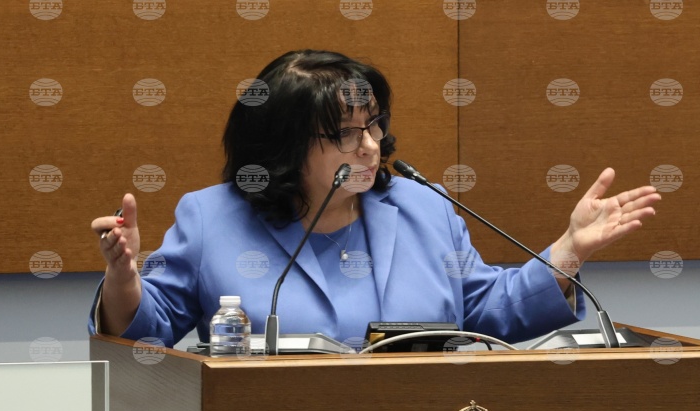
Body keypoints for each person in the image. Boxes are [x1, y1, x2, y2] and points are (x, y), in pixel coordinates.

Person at [89, 49, 660, 349]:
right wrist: (123, 277)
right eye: (346, 133)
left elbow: (488, 312)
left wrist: (569, 250)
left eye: (375, 125)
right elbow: (144, 336)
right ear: (285, 145)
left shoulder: (422, 206)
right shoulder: (211, 219)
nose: (371, 146)